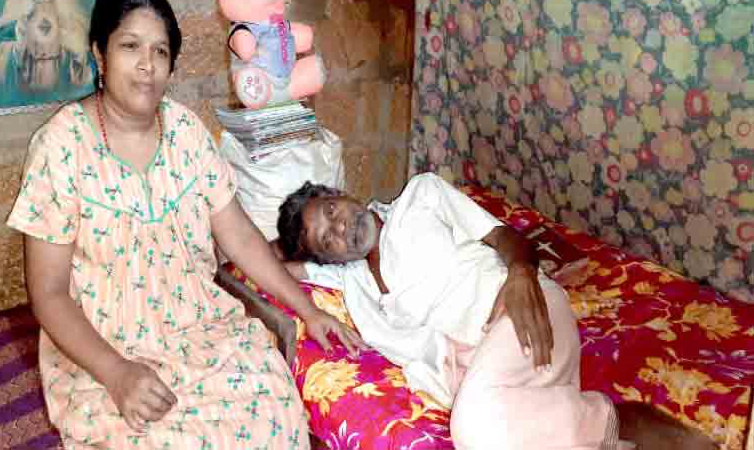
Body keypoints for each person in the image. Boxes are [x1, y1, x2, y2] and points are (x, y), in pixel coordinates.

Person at [7, 0, 363, 450]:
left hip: (199, 327)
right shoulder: (60, 147)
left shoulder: (185, 132)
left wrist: (307, 310)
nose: (147, 65)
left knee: (277, 411)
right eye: (130, 46)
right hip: (104, 345)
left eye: (160, 51)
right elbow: (48, 292)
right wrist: (116, 373)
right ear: (99, 54)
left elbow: (239, 235)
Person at [274, 173, 717, 450]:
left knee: (473, 424)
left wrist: (522, 273)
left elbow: (506, 237)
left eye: (331, 210)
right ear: (327, 259)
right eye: (327, 239)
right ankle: (601, 428)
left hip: (520, 310)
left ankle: (610, 418)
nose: (340, 226)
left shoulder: (420, 195)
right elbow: (265, 259)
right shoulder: (351, 281)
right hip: (478, 365)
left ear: (340, 193)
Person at [0, 0, 95, 107]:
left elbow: (86, 45)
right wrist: (19, 38)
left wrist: (73, 43)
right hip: (24, 97)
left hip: (64, 95)